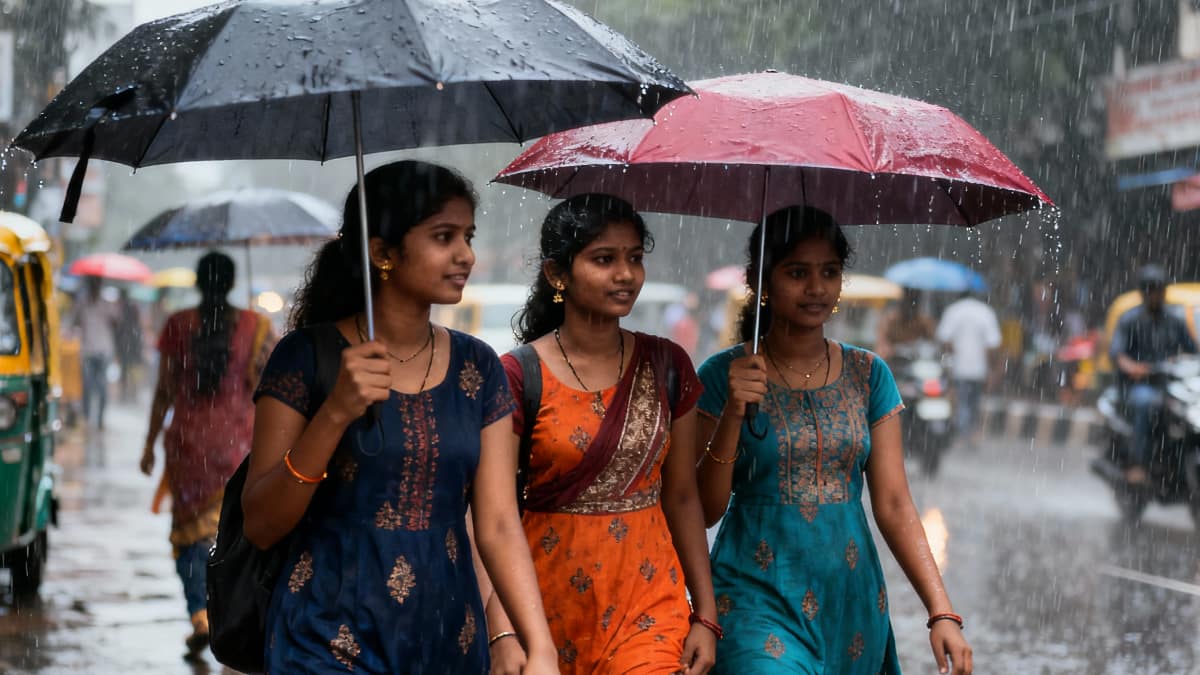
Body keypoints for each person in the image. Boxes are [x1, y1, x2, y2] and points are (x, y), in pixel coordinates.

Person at [241, 161, 557, 674]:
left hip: (447, 640)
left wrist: (539, 646)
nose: (466, 255)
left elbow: (498, 524)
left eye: (468, 236)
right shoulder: (306, 357)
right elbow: (261, 523)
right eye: (443, 237)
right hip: (324, 638)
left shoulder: (479, 367)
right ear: (383, 253)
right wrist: (335, 412)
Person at [696, 207, 972, 675]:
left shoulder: (869, 375)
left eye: (829, 272)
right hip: (753, 593)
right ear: (762, 281)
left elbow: (894, 504)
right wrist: (733, 414)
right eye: (797, 273)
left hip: (850, 598)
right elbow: (703, 509)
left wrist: (941, 611)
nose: (816, 287)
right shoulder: (723, 375)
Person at [487, 194, 718, 674]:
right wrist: (503, 630)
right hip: (545, 603)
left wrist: (706, 614)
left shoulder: (667, 365)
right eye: (604, 259)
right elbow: (495, 516)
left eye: (634, 258)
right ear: (557, 274)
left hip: (650, 603)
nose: (626, 274)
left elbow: (681, 496)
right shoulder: (518, 375)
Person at [139, 251, 277, 658]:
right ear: (232, 283)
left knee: (188, 535)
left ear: (198, 283)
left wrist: (149, 444)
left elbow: (164, 390)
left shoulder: (178, 324)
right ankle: (229, 615)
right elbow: (268, 389)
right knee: (232, 534)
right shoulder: (256, 327)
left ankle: (199, 613)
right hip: (238, 447)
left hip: (187, 447)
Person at [1109, 265, 1197, 483]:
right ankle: (1140, 463)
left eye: (1159, 289)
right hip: (1138, 385)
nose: (1156, 294)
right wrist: (1135, 368)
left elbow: (1193, 350)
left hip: (1169, 384)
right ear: (1143, 292)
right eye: (1151, 289)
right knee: (1147, 404)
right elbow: (1117, 354)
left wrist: (1179, 359)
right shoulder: (1130, 320)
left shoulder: (1174, 320)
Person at [935, 289, 1001, 443]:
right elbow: (993, 344)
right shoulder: (985, 312)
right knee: (973, 403)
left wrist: (953, 354)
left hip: (958, 367)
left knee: (962, 401)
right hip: (979, 368)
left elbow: (944, 339)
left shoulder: (953, 310)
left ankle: (962, 434)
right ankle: (968, 434)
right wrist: (992, 369)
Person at [69, 276, 119, 430]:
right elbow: (75, 322)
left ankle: (100, 419)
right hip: (88, 351)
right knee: (87, 386)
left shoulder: (107, 304)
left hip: (104, 350)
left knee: (102, 386)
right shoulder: (82, 303)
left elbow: (116, 323)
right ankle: (86, 417)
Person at [875, 287, 935, 360]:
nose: (909, 306)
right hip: (894, 360)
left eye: (913, 302)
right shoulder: (891, 319)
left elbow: (932, 343)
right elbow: (882, 344)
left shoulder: (923, 321)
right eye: (907, 301)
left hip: (916, 359)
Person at [115, 287, 146, 402]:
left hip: (126, 345)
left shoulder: (122, 310)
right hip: (132, 344)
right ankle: (132, 394)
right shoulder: (133, 308)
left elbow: (118, 330)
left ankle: (125, 394)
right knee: (132, 371)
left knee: (126, 372)